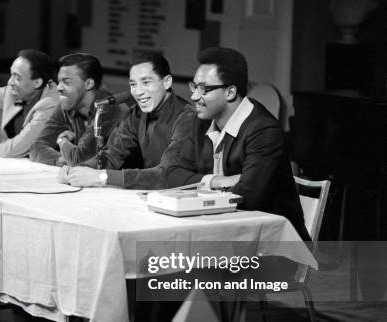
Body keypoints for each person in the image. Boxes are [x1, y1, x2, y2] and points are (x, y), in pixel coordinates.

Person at [164, 47, 310, 241]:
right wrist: (216, 181)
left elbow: (247, 198)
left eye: (203, 89)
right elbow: (171, 174)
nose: (193, 97)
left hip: (272, 246)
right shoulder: (200, 122)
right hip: (223, 234)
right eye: (194, 87)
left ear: (230, 92)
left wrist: (199, 188)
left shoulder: (264, 130)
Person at [60, 51, 196, 190]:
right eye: (133, 84)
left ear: (167, 82)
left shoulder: (187, 117)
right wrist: (77, 170)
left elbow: (168, 175)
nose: (138, 91)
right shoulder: (136, 113)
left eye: (146, 82)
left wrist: (102, 177)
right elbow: (111, 155)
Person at [28, 53, 123, 166]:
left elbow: (79, 159)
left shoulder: (108, 108)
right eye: (59, 82)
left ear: (88, 84)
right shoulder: (68, 103)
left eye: (66, 82)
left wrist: (61, 141)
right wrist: (60, 160)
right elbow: (36, 147)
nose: (59, 87)